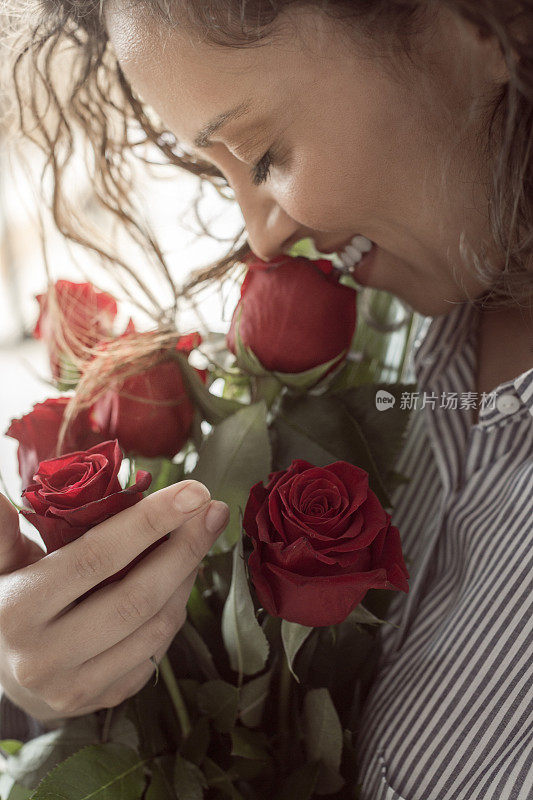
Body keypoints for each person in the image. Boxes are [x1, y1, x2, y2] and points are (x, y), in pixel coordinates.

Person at [0, 1, 532, 797]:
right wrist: (65, 689)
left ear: (484, 26)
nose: (262, 241)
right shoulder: (381, 339)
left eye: (264, 153)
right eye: (218, 169)